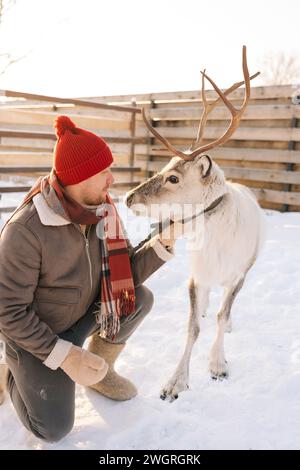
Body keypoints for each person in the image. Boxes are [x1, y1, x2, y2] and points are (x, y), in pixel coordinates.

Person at [0, 115, 176, 442]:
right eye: (104, 172)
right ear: (80, 178)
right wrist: (67, 356)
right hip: (39, 334)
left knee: (140, 299)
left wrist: (160, 245)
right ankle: (11, 372)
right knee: (53, 429)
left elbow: (123, 274)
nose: (111, 180)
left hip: (84, 315)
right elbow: (8, 313)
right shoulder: (25, 231)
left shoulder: (101, 210)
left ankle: (98, 371)